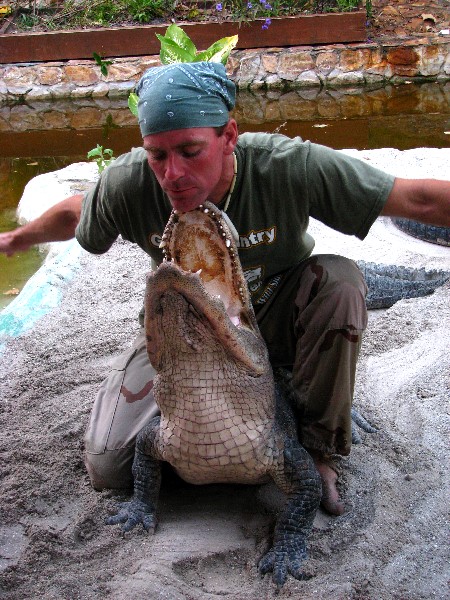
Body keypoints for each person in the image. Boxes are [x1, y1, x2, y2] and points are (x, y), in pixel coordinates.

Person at [1, 62, 449, 516]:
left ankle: (319, 448)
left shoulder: (288, 166)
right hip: (183, 334)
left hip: (278, 316)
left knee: (341, 282)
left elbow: (416, 198)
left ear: (229, 136)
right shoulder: (129, 182)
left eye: (190, 151)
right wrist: (17, 239)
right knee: (108, 467)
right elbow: (80, 212)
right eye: (157, 155)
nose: (172, 173)